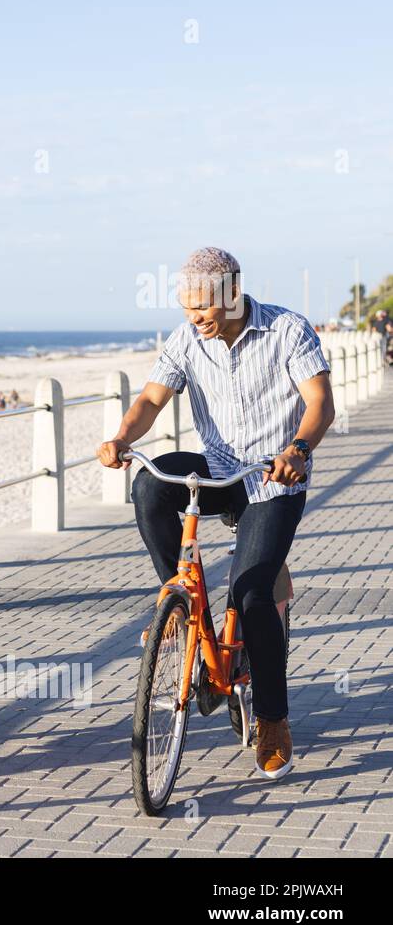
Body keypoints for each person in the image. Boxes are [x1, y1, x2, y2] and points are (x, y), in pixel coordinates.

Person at [97, 247, 335, 780]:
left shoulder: (286, 329)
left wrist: (298, 449)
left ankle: (273, 719)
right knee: (151, 487)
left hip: (275, 478)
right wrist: (120, 437)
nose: (193, 319)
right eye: (185, 309)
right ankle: (180, 613)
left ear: (232, 292)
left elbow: (320, 402)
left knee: (251, 593)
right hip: (219, 469)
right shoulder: (187, 341)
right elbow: (152, 400)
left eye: (201, 308)